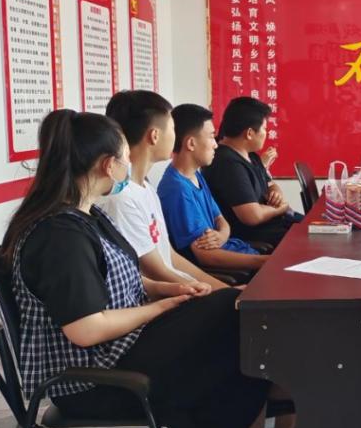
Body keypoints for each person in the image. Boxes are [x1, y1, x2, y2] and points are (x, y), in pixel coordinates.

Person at [0, 110, 273, 428]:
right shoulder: (59, 235)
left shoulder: (87, 216)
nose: (129, 165)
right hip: (92, 381)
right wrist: (162, 307)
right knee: (235, 326)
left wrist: (169, 290)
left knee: (236, 326)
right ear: (107, 165)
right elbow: (86, 328)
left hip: (119, 352)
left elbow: (124, 278)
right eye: (124, 157)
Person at [99, 91, 227, 291]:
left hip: (181, 288)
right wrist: (220, 293)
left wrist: (225, 289)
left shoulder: (146, 188)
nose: (176, 137)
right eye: (173, 128)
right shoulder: (121, 198)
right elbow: (155, 271)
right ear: (154, 136)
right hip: (164, 297)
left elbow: (170, 257)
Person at [157, 104, 270, 276]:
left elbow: (220, 219)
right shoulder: (177, 190)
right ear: (191, 143)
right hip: (231, 270)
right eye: (211, 137)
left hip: (239, 251)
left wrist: (222, 235)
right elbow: (207, 257)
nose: (216, 145)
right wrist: (263, 261)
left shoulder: (195, 174)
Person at [201, 97, 303, 250]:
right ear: (249, 133)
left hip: (277, 223)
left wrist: (276, 193)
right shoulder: (227, 162)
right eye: (264, 129)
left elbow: (270, 183)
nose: (266, 133)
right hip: (256, 235)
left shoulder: (251, 155)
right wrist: (281, 207)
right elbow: (252, 216)